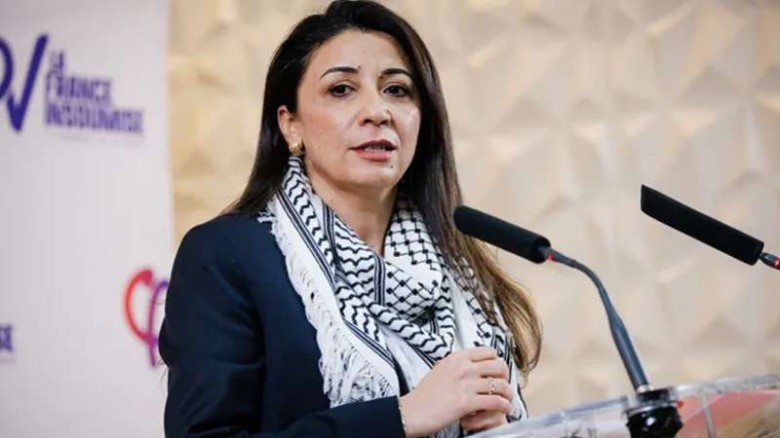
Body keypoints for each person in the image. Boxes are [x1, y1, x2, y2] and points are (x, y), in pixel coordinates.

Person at [159, 1, 541, 437]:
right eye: (342, 89)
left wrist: (495, 429)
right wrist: (401, 416)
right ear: (290, 124)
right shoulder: (227, 256)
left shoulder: (460, 265)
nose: (377, 111)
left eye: (397, 90)